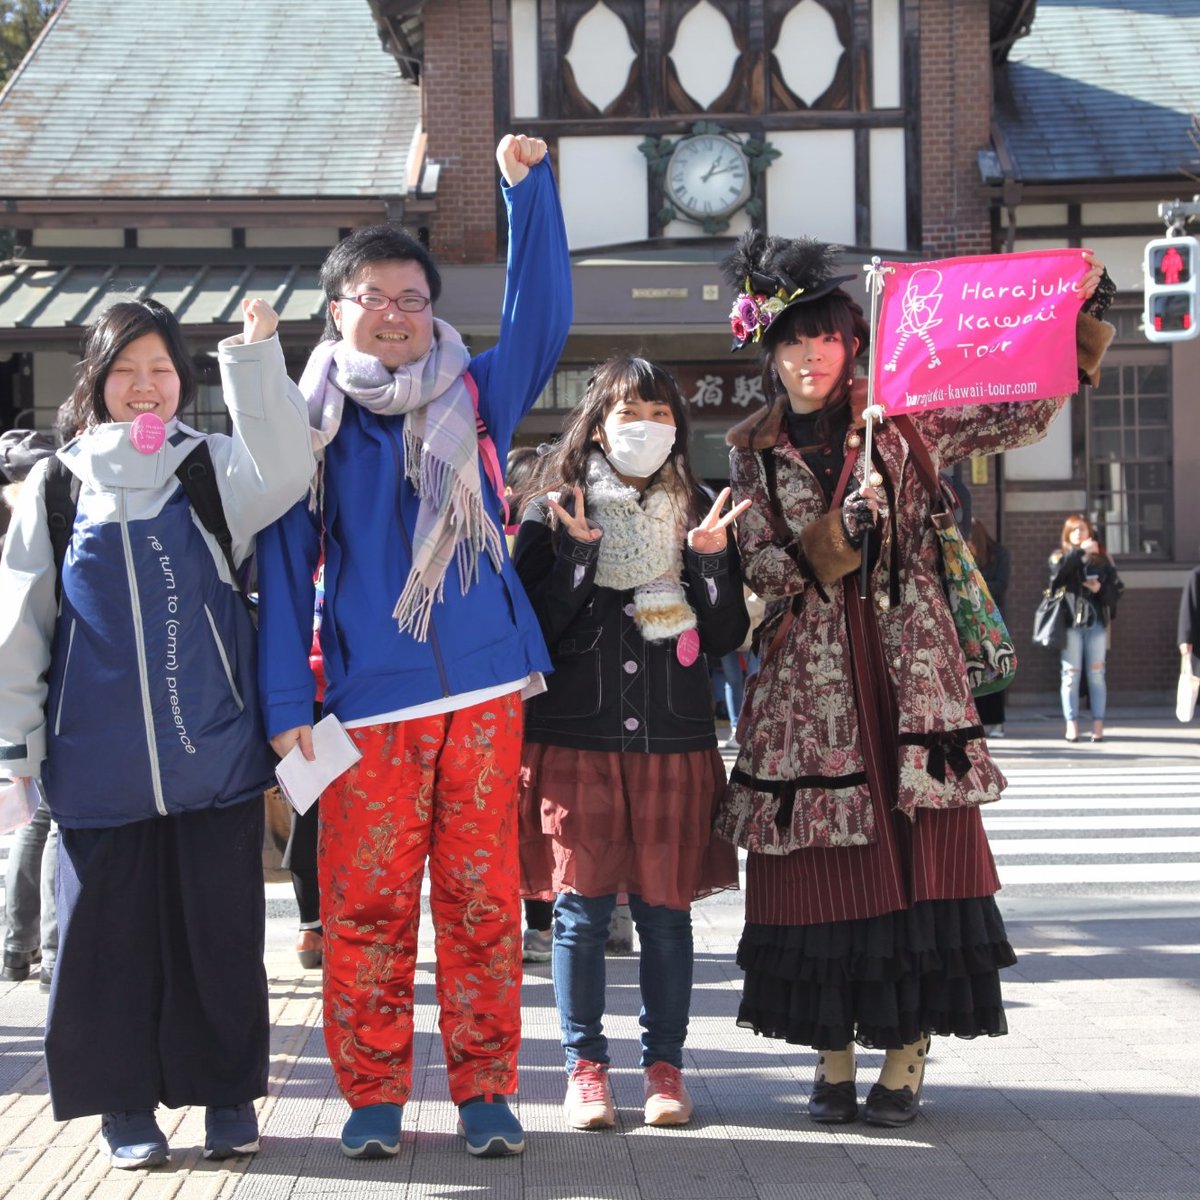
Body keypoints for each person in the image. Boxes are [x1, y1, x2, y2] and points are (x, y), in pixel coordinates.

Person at [716, 231, 1113, 1127]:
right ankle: (833, 1055)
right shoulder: (751, 449)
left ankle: (906, 1057)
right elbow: (762, 572)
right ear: (768, 352)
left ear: (853, 342)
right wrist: (834, 539)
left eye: (823, 337)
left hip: (912, 669)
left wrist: (1077, 320)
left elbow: (1020, 406)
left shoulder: (905, 414)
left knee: (920, 860)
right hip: (808, 693)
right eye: (790, 341)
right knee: (824, 866)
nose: (808, 355)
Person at [254, 134, 572, 1161]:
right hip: (367, 704)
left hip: (483, 688)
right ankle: (374, 1097)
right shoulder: (304, 428)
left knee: (484, 904)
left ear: (433, 308)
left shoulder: (472, 393)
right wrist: (284, 710)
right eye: (371, 297)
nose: (393, 313)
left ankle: (486, 1093)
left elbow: (544, 317)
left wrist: (530, 196)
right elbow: (278, 572)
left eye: (410, 296)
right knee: (365, 908)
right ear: (336, 310)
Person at [0, 296, 314, 1168]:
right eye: (125, 371)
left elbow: (289, 469)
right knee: (104, 947)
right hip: (94, 769)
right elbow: (20, 625)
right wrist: (15, 750)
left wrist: (254, 359)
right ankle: (124, 1108)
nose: (145, 388)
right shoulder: (57, 484)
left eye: (162, 370)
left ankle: (225, 1099)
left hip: (210, 756)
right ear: (97, 385)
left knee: (218, 938)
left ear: (184, 380)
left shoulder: (212, 468)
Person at [515, 355, 748, 1131]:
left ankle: (665, 1068)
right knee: (578, 913)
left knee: (666, 912)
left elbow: (723, 636)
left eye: (658, 413)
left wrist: (712, 569)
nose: (643, 427)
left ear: (677, 427)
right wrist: (578, 554)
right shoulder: (554, 508)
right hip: (576, 736)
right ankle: (584, 1069)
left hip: (672, 736)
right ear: (597, 421)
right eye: (627, 412)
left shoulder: (701, 508)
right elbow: (533, 632)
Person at [0, 429, 59, 992]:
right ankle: (53, 950)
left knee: (30, 819)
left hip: (16, 694)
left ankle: (18, 948)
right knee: (52, 819)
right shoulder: (45, 517)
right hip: (46, 689)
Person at [1049, 514, 1122, 743]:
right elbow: (1056, 580)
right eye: (1073, 530)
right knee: (1070, 675)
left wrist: (1100, 588)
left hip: (1096, 624)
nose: (1078, 533)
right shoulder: (1061, 557)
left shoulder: (1102, 560)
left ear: (1090, 532)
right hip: (1071, 624)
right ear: (1067, 534)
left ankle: (1098, 726)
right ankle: (1072, 726)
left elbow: (1117, 591)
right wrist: (1080, 554)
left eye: (1082, 529)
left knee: (1097, 675)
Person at [969, 519, 1012, 738]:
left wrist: (975, 584)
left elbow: (1001, 585)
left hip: (991, 619)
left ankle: (996, 720)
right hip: (972, 619)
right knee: (976, 668)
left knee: (994, 667)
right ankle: (981, 721)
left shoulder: (997, 554)